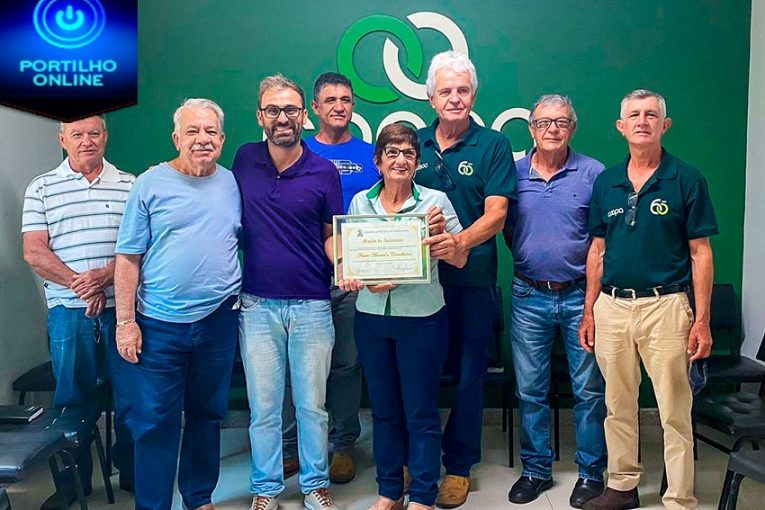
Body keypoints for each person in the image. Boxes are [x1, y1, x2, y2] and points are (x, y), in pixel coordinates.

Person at [579, 89, 718, 510]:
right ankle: (622, 486)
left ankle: (679, 497)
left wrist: (702, 320)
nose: (642, 121)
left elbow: (701, 253)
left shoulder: (687, 179)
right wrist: (589, 311)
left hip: (667, 307)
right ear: (621, 127)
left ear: (665, 125)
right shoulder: (607, 182)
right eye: (634, 115)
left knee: (674, 410)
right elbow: (597, 251)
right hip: (612, 307)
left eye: (651, 115)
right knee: (617, 404)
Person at [114, 98, 241, 510]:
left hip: (218, 320)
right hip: (159, 325)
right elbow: (128, 258)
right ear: (176, 138)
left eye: (211, 132)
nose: (203, 139)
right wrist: (125, 322)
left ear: (222, 139)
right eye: (193, 131)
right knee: (155, 422)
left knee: (208, 414)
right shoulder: (149, 184)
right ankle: (153, 505)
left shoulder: (231, 183)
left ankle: (198, 498)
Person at [338, 123, 466, 510]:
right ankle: (389, 491)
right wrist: (355, 277)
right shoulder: (360, 203)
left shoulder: (436, 203)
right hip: (371, 319)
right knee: (384, 411)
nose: (400, 160)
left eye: (408, 153)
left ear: (417, 162)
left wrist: (445, 243)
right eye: (392, 153)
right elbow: (349, 259)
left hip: (422, 320)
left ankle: (423, 495)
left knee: (421, 411)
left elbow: (460, 258)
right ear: (378, 161)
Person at [233, 74, 342, 510]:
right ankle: (266, 489)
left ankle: (315, 485)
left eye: (291, 110)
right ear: (260, 116)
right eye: (274, 110)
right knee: (264, 408)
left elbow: (330, 235)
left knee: (312, 405)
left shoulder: (324, 171)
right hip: (257, 304)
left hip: (313, 303)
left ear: (304, 116)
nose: (283, 118)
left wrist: (348, 267)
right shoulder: (243, 159)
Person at [414, 51, 517, 508]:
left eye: (462, 90)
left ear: (473, 95)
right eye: (446, 91)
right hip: (417, 285)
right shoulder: (413, 142)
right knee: (418, 374)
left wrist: (459, 244)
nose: (454, 98)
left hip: (472, 282)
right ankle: (417, 460)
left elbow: (497, 214)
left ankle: (458, 467)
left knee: (469, 376)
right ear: (431, 98)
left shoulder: (493, 145)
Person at [21, 115, 136, 509]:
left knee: (133, 398)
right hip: (69, 314)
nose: (86, 141)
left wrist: (104, 277)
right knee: (72, 401)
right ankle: (76, 484)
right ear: (62, 140)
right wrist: (80, 284)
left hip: (124, 312)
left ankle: (133, 474)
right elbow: (34, 251)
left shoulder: (131, 185)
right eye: (77, 134)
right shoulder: (41, 187)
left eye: (94, 133)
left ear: (106, 137)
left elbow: (143, 246)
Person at [503, 95, 607, 508]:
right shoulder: (513, 174)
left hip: (582, 295)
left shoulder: (593, 173)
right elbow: (507, 229)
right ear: (531, 128)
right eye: (544, 122)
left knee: (589, 390)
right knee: (531, 389)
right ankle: (536, 470)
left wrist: (590, 301)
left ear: (572, 128)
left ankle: (591, 473)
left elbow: (601, 240)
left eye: (561, 122)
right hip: (528, 295)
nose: (552, 129)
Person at [281, 71, 379, 484]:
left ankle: (343, 445)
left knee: (346, 365)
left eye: (346, 99)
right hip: (303, 279)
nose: (339, 106)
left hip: (352, 281)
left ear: (353, 106)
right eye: (330, 100)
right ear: (314, 109)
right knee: (295, 367)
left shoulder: (373, 155)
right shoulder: (295, 153)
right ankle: (291, 446)